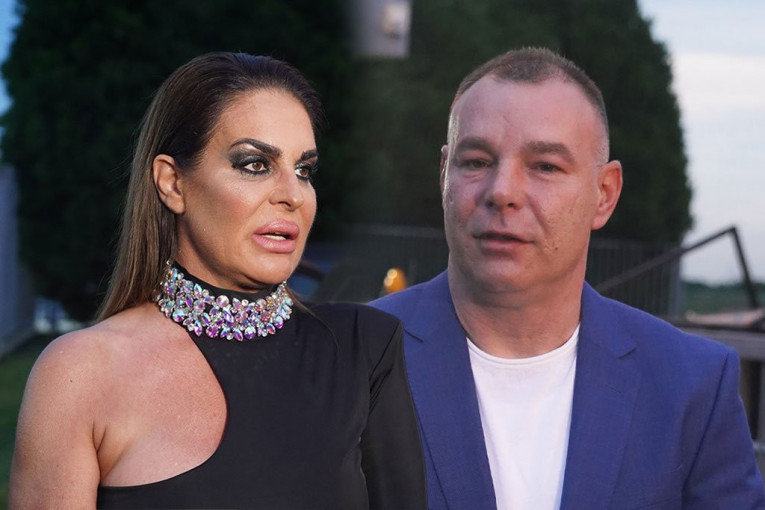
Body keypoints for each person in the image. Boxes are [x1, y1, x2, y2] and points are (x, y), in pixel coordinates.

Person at [10, 52, 426, 509]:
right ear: (172, 183)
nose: (292, 195)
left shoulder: (365, 348)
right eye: (255, 164)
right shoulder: (80, 374)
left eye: (304, 170)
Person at [371, 47, 765, 509]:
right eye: (476, 161)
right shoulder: (351, 360)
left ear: (605, 194)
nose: (502, 191)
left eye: (545, 166)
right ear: (444, 176)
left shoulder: (692, 384)